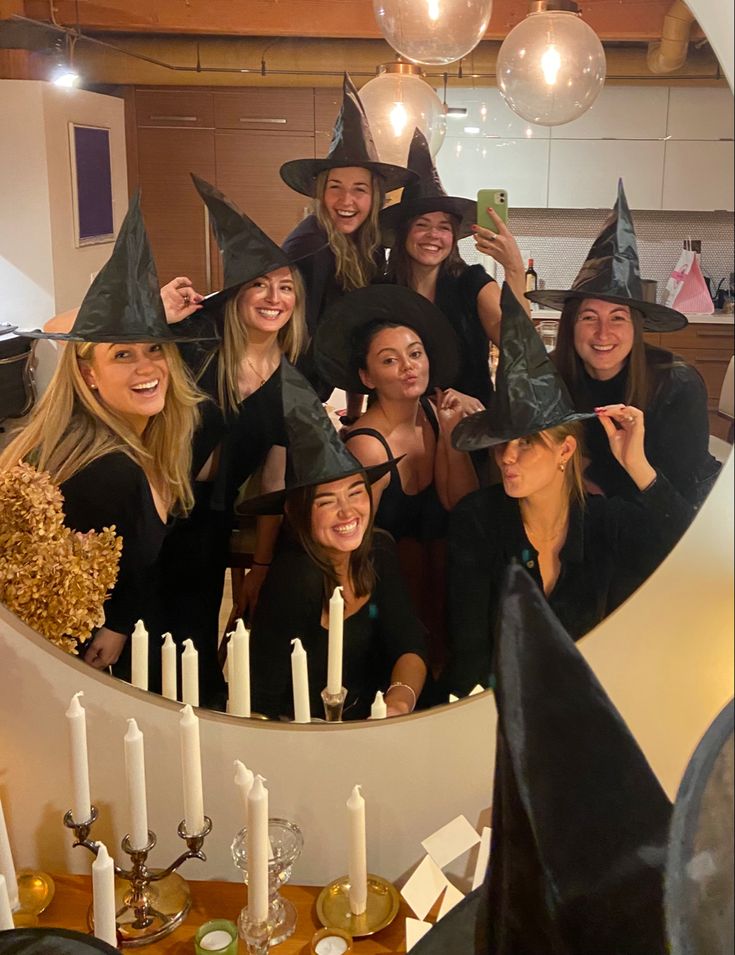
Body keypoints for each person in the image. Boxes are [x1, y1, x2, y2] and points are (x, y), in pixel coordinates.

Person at [0, 195, 214, 682]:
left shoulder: (145, 441)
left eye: (154, 349)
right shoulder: (105, 471)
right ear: (88, 373)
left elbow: (122, 567)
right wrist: (115, 625)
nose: (147, 368)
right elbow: (48, 610)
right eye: (122, 355)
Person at [446, 283, 694, 697]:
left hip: (590, 705)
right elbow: (470, 652)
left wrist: (637, 466)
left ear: (565, 450)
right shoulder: (477, 521)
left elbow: (687, 554)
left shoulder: (605, 522)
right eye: (502, 441)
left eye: (527, 442)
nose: (506, 457)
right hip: (493, 708)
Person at [156, 176, 311, 700]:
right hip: (150, 509)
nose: (274, 298)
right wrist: (155, 317)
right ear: (238, 295)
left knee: (193, 643)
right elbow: (95, 344)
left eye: (286, 287)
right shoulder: (195, 343)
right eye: (260, 285)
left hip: (210, 525)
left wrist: (261, 566)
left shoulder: (291, 383)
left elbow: (271, 477)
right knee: (133, 632)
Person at [242, 360, 428, 721]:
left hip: (372, 726)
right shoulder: (297, 578)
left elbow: (409, 643)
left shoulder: (379, 550)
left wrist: (399, 702)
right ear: (301, 515)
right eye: (327, 501)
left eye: (356, 492)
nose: (348, 512)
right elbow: (263, 701)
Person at [528, 179, 720, 509]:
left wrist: (617, 470)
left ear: (636, 327)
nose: (603, 334)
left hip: (663, 519)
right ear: (570, 325)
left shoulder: (677, 386)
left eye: (618, 317)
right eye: (589, 317)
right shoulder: (551, 377)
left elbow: (681, 505)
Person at [315, 284, 478, 673]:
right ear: (366, 376)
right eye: (390, 361)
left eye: (416, 354)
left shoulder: (435, 417)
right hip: (388, 610)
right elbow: (351, 547)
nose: (409, 367)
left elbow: (462, 504)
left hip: (438, 597)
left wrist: (453, 435)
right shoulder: (368, 446)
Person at [279, 72, 416, 411]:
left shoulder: (365, 247)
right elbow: (289, 343)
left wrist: (355, 414)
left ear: (375, 197)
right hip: (290, 399)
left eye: (359, 189)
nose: (346, 200)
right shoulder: (310, 246)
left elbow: (360, 329)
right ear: (320, 192)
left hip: (313, 396)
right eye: (335, 186)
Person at [382, 127, 529, 410]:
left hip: (467, 426)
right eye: (421, 225)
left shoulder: (472, 283)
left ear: (454, 236)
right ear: (403, 233)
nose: (433, 235)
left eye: (443, 227)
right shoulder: (383, 291)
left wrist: (513, 268)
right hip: (400, 432)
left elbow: (518, 344)